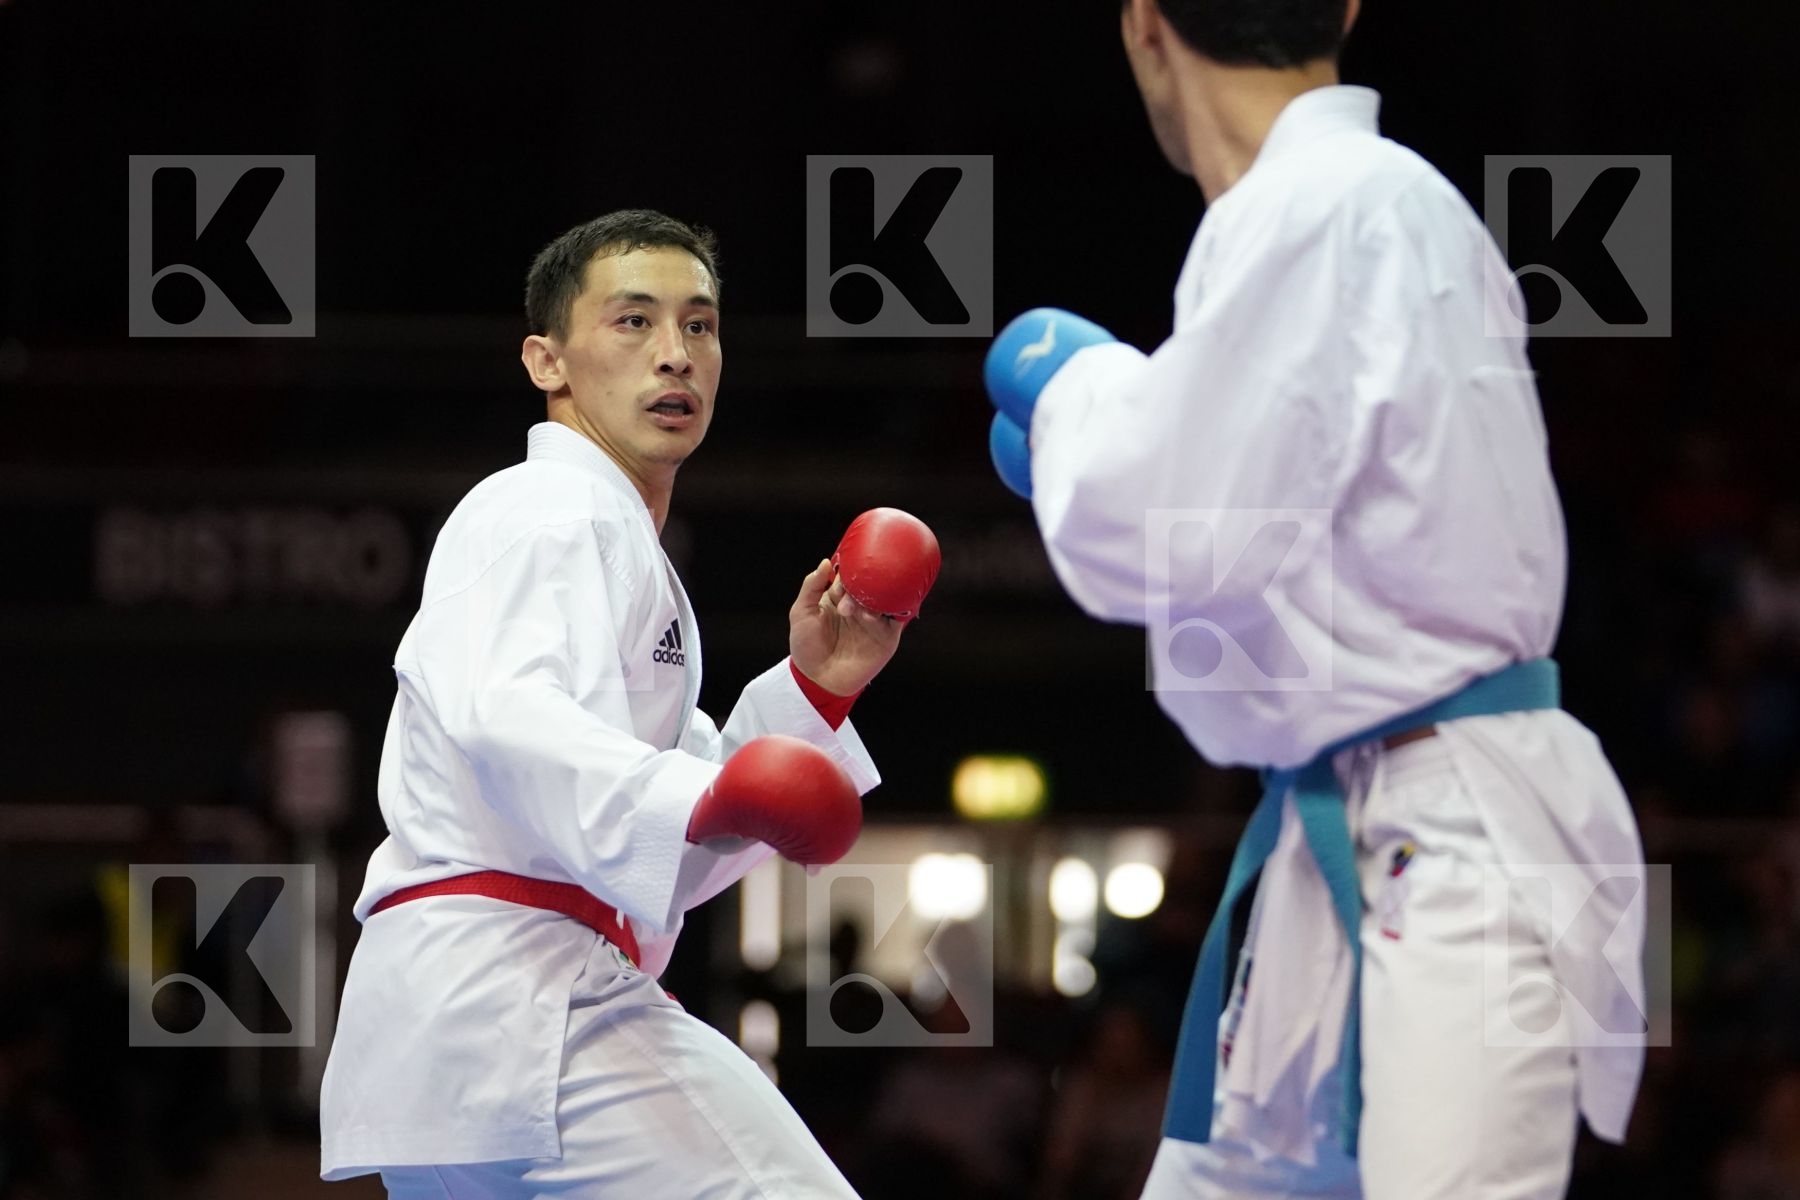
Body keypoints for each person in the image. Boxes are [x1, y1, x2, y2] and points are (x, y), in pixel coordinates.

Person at [982, 2, 1648, 1197]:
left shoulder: (1334, 206)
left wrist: (1084, 391)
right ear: (1345, 6)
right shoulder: (1351, 209)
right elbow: (1242, 584)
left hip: (1463, 835)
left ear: (1142, 23)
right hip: (1346, 817)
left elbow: (1167, 524)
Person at [320, 208, 938, 1197]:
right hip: (523, 1000)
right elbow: (504, 714)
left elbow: (673, 848)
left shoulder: (612, 544)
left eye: (700, 326)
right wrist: (695, 802)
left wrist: (816, 690)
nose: (676, 356)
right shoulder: (545, 509)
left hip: (460, 1036)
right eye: (633, 322)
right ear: (546, 360)